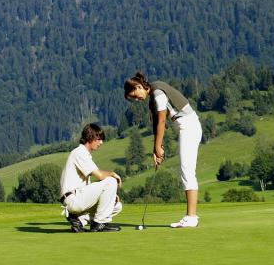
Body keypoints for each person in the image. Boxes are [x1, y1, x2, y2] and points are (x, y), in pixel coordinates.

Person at [124, 72, 202, 228]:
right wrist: (156, 149)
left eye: (135, 96)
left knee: (187, 171)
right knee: (186, 170)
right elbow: (156, 124)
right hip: (186, 126)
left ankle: (191, 217)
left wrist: (158, 146)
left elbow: (161, 121)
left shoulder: (158, 93)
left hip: (189, 126)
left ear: (139, 87)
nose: (136, 99)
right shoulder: (153, 94)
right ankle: (191, 216)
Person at [60, 123, 122, 232]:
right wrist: (113, 174)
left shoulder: (84, 154)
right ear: (90, 138)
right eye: (99, 139)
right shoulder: (79, 153)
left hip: (77, 197)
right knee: (111, 181)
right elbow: (100, 175)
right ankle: (99, 223)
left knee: (116, 206)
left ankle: (79, 221)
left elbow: (97, 182)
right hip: (73, 199)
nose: (101, 142)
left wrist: (111, 195)